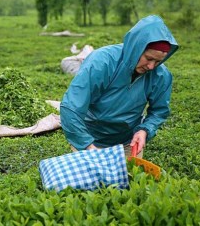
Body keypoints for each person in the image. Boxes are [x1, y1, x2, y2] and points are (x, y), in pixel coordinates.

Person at [60, 15, 179, 157]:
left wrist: (145, 130)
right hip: (89, 138)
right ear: (137, 48)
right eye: (148, 58)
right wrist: (87, 146)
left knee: (129, 177)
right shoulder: (102, 62)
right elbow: (71, 107)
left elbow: (159, 111)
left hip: (127, 142)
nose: (151, 66)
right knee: (91, 178)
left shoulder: (161, 75)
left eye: (158, 61)